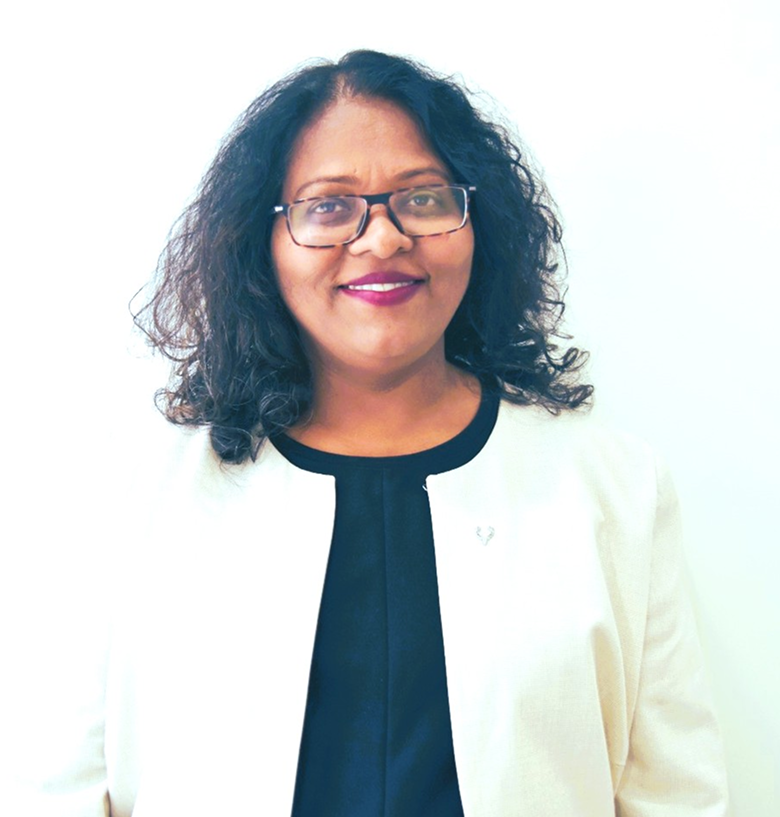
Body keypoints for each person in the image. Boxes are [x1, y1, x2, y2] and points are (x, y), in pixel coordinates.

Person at [35, 50, 729, 816]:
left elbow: (675, 797)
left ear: (479, 223)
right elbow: (59, 790)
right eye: (329, 206)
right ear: (261, 242)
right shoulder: (138, 490)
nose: (382, 237)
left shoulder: (615, 488)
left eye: (422, 198)